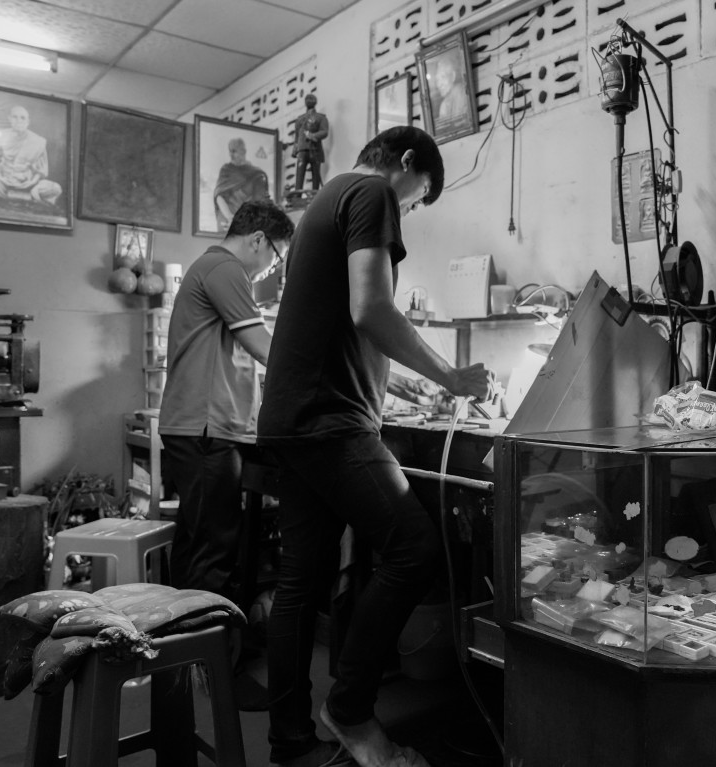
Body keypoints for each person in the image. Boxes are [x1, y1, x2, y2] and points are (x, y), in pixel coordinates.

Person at [258, 126, 492, 767]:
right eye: (417, 199)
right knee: (414, 548)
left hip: (292, 418)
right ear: (408, 164)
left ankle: (290, 740)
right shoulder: (370, 193)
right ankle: (352, 712)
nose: (408, 212)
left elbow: (344, 320)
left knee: (300, 585)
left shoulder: (326, 198)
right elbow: (371, 308)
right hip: (329, 421)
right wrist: (452, 376)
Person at [159, 199, 292, 614]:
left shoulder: (213, 269)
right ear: (258, 239)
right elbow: (265, 348)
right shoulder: (225, 269)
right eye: (276, 257)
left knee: (200, 539)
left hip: (207, 427)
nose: (273, 268)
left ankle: (187, 655)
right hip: (205, 429)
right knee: (211, 549)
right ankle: (196, 662)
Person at [0, 105, 62, 205]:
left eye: (23, 118)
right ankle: (27, 198)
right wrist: (0, 177)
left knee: (55, 188)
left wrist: (31, 182)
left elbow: (41, 170)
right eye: (15, 117)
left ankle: (19, 196)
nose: (19, 121)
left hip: (28, 183)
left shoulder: (38, 141)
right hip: (4, 180)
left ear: (28, 121)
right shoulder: (1, 135)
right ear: (9, 118)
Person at [214, 137, 271, 233]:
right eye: (230, 151)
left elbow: (259, 204)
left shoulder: (257, 174)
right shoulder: (226, 170)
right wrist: (229, 217)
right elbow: (219, 196)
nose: (231, 155)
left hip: (247, 221)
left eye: (234, 151)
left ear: (243, 151)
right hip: (227, 217)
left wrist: (240, 222)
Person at [293, 93, 329, 191]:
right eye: (307, 99)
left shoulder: (321, 118)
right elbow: (297, 135)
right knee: (299, 174)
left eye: (311, 99)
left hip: (315, 148)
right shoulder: (300, 119)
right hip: (302, 149)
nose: (309, 100)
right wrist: (295, 148)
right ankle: (297, 195)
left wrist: (313, 136)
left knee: (315, 175)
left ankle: (315, 196)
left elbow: (324, 131)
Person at [432, 56, 468, 128]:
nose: (439, 84)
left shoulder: (462, 93)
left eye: (443, 77)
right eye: (437, 80)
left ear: (453, 76)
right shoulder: (443, 105)